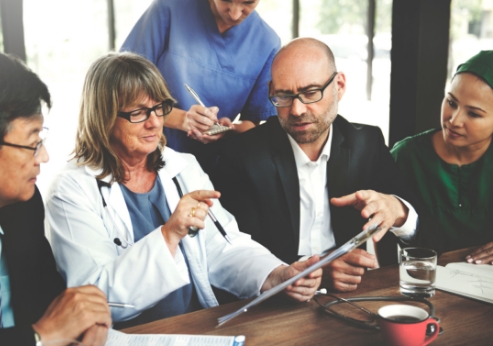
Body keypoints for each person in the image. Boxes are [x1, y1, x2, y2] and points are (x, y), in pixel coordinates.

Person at [45, 52, 322, 328]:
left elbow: (223, 247)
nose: (154, 122)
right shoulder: (71, 189)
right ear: (103, 116)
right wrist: (169, 235)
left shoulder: (184, 167)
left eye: (159, 108)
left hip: (194, 327)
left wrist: (277, 275)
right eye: (139, 112)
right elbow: (96, 299)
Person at [213, 38, 420, 292]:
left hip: (353, 296)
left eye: (311, 93)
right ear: (270, 92)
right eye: (284, 96)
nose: (297, 109)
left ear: (339, 86)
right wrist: (317, 271)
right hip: (273, 305)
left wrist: (398, 210)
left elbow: (421, 231)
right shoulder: (242, 155)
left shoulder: (368, 143)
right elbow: (233, 252)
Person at [0, 51, 111, 345]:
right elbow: (46, 328)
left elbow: (48, 297)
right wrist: (41, 337)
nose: (44, 156)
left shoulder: (22, 205)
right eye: (32, 143)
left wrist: (83, 324)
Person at [121, 0, 280, 174]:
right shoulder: (168, 8)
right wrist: (182, 119)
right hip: (144, 154)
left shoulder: (267, 43)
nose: (234, 14)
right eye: (226, 0)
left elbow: (252, 123)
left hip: (210, 167)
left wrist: (226, 129)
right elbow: (123, 86)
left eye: (248, 2)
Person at [391, 51, 493, 263]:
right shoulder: (406, 156)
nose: (454, 121)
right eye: (451, 102)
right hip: (419, 282)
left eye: (473, 114)